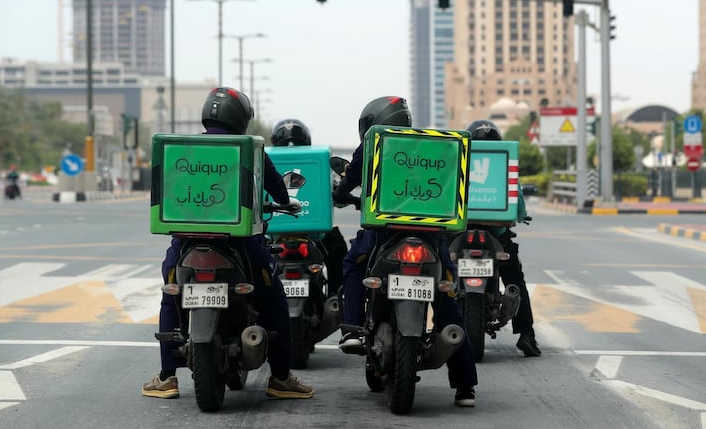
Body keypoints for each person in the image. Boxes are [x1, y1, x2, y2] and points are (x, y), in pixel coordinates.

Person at [142, 87, 314, 400]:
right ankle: (280, 377)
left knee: (171, 295)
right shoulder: (249, 148)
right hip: (239, 247)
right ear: (241, 119)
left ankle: (167, 377)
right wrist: (286, 201)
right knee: (273, 299)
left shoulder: (184, 148)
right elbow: (276, 187)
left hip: (185, 244)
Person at [332, 96, 478, 408]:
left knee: (353, 265)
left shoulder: (373, 145)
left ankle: (354, 330)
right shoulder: (437, 146)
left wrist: (341, 193)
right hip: (432, 239)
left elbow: (351, 180)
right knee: (447, 302)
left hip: (384, 237)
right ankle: (465, 386)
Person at [466, 119, 540, 357]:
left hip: (459, 236)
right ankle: (526, 335)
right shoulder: (504, 170)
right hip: (498, 239)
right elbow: (517, 209)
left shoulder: (457, 167)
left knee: (439, 278)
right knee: (515, 281)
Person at [270, 118, 349, 296]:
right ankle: (335, 299)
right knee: (338, 253)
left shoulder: (267, 163)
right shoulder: (317, 164)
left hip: (274, 239)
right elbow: (339, 198)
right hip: (317, 238)